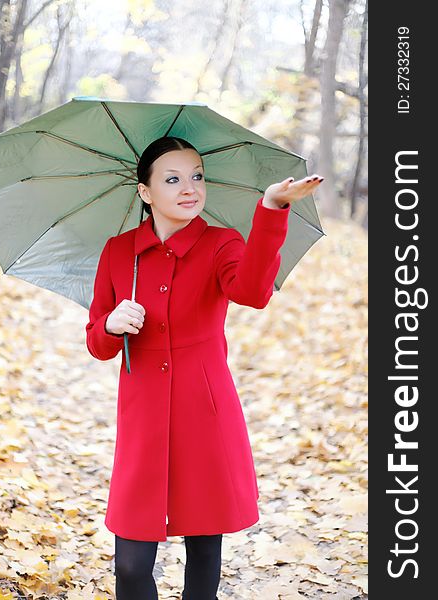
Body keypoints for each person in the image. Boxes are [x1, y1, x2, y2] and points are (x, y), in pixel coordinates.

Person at [85, 136, 323, 600]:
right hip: (142, 418)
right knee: (131, 567)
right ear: (145, 192)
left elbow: (254, 292)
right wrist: (112, 325)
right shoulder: (119, 253)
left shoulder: (220, 243)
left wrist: (271, 208)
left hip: (204, 412)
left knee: (203, 556)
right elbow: (98, 344)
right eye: (172, 179)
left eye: (196, 176)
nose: (189, 187)